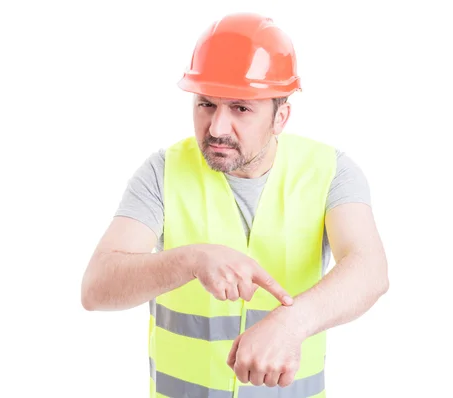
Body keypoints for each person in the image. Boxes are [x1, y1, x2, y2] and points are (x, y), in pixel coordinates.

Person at [81, 11, 389, 398]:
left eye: (241, 108)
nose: (216, 128)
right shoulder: (162, 172)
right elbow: (96, 288)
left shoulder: (331, 172)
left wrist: (292, 323)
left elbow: (371, 269)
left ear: (281, 117)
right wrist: (190, 260)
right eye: (205, 104)